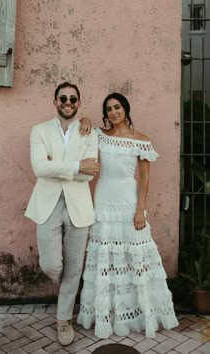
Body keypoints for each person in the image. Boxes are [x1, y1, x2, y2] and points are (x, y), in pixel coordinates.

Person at [77, 92, 179, 338]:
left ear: (126, 109)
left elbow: (144, 178)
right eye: (109, 109)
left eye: (117, 107)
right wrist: (85, 118)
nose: (113, 112)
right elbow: (82, 126)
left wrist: (139, 209)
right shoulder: (100, 136)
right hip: (103, 198)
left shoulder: (141, 140)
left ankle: (139, 312)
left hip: (129, 199)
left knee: (135, 255)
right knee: (105, 255)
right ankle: (106, 314)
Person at [25, 82, 99, 346]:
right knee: (53, 264)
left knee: (74, 268)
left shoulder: (89, 131)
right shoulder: (40, 131)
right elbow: (39, 168)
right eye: (63, 98)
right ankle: (67, 288)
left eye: (73, 99)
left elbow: (91, 173)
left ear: (79, 103)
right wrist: (77, 165)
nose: (68, 102)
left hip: (79, 206)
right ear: (55, 101)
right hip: (47, 204)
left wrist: (65, 168)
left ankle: (63, 319)